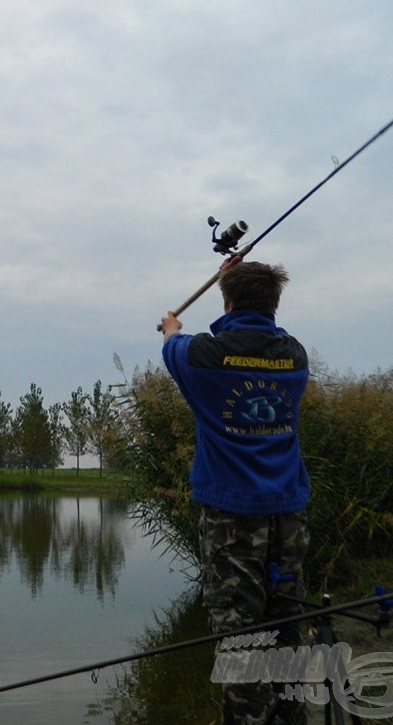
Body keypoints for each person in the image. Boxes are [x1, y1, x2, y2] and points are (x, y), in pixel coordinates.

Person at [160, 260, 310, 725]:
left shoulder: (203, 356)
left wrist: (169, 326)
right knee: (286, 626)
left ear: (226, 300)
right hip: (289, 515)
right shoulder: (296, 356)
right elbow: (250, 335)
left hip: (231, 519)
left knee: (241, 638)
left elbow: (172, 345)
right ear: (275, 302)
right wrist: (234, 278)